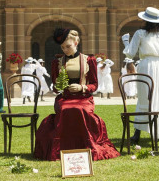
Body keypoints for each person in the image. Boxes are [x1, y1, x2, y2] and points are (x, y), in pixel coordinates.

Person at [34, 28, 120, 161]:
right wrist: (59, 87)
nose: (65, 50)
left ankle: (86, 146)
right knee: (64, 109)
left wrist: (82, 87)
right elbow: (56, 88)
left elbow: (94, 85)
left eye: (68, 46)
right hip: (65, 98)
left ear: (76, 42)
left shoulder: (88, 60)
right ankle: (63, 149)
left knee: (81, 109)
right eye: (62, 47)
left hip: (84, 98)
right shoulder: (57, 62)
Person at [122, 7, 159, 147]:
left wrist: (126, 44)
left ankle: (137, 134)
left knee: (145, 98)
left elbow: (130, 53)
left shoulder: (140, 33)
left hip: (146, 66)